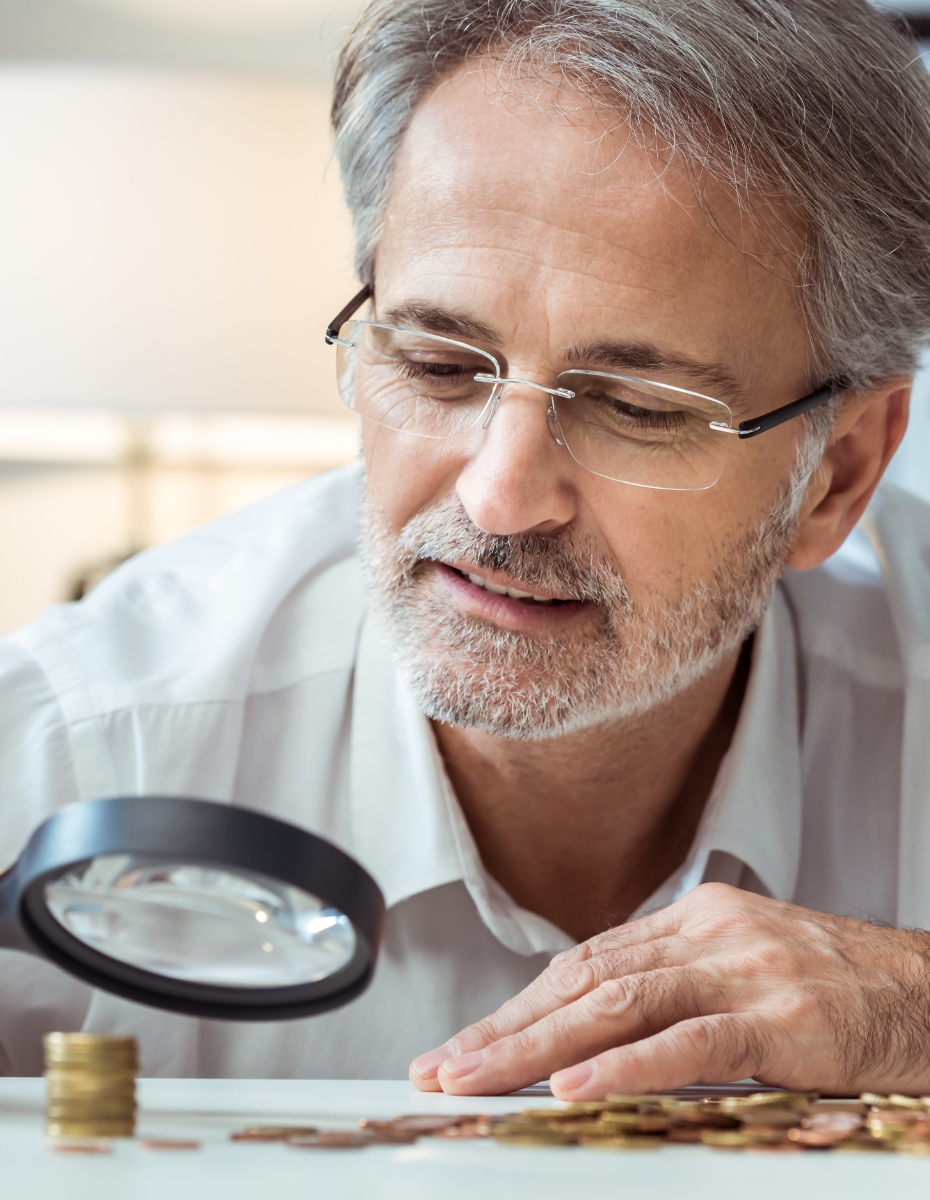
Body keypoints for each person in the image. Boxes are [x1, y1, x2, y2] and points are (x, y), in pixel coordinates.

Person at [2, 0, 930, 1095]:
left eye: (635, 405)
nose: (499, 499)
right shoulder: (78, 746)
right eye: (439, 366)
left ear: (838, 475)